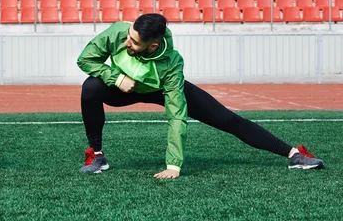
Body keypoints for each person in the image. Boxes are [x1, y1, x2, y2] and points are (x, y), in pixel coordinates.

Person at [77, 13, 325, 179]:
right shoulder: (119, 32)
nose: (127, 42)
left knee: (228, 120)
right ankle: (97, 156)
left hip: (161, 89)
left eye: (134, 41)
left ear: (153, 46)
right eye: (128, 35)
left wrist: (173, 164)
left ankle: (294, 155)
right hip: (123, 88)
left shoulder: (171, 64)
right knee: (90, 88)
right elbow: (85, 59)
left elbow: (176, 116)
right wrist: (116, 78)